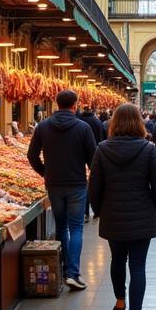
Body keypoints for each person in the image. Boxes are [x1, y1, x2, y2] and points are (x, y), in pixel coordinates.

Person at [88, 103, 156, 310]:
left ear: (114, 123)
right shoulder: (148, 149)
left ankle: (120, 300)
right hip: (141, 216)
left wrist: (100, 210)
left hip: (113, 216)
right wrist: (153, 208)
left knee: (118, 260)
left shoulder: (102, 149)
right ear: (139, 123)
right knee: (138, 267)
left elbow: (95, 187)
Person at [27, 89, 97, 290]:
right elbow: (93, 159)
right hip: (76, 185)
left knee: (61, 226)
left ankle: (62, 268)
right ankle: (72, 273)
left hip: (54, 185)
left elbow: (32, 155)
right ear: (75, 105)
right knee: (76, 228)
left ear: (56, 104)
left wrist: (45, 172)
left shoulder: (43, 126)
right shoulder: (83, 128)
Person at [77, 105, 104, 220]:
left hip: (78, 155)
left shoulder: (79, 121)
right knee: (89, 182)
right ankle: (88, 211)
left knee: (85, 183)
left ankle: (84, 211)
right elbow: (101, 138)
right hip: (94, 153)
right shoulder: (97, 122)